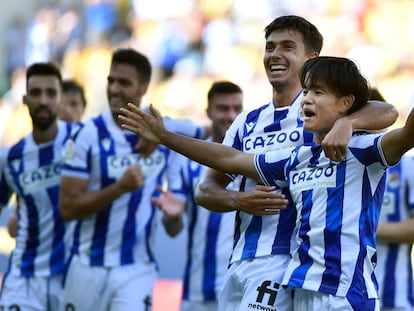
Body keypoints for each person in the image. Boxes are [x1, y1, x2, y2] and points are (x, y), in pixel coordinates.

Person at [119, 55, 414, 310]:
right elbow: (230, 160)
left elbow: (404, 130)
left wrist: (349, 123)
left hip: (346, 294)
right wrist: (165, 137)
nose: (307, 99)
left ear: (345, 103)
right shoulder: (295, 158)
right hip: (300, 288)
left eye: (318, 93)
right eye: (307, 91)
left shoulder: (364, 151)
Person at [189, 15, 397, 311]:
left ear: (311, 58)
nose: (275, 55)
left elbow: (386, 110)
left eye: (287, 47)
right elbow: (205, 190)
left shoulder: (322, 114)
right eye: (270, 47)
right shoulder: (247, 122)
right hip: (241, 258)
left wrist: (348, 122)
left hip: (289, 264)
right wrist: (237, 198)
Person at [58, 48, 198, 311]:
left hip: (137, 269)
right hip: (87, 266)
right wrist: (119, 188)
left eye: (124, 82)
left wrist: (162, 136)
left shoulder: (163, 131)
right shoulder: (86, 135)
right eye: (111, 81)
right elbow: (68, 208)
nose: (114, 89)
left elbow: (207, 129)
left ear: (144, 87)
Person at [153, 81, 243, 311]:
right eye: (223, 108)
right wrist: (172, 217)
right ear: (209, 112)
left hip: (242, 286)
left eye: (237, 108)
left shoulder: (254, 158)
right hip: (197, 290)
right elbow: (173, 230)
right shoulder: (186, 163)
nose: (230, 115)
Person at [0, 62, 77, 310]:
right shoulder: (10, 157)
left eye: (51, 93)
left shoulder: (83, 141)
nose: (43, 100)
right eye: (36, 93)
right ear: (24, 99)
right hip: (24, 278)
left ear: (61, 99)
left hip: (72, 279)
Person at [6, 78, 88, 239]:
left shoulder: (91, 148)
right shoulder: (32, 152)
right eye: (63, 104)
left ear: (84, 108)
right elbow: (16, 220)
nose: (68, 111)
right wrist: (16, 217)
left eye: (74, 104)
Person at [369, 88, 414, 311]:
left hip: (393, 300)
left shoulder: (407, 167)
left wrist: (363, 227)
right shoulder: (334, 167)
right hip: (342, 297)